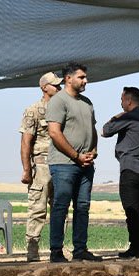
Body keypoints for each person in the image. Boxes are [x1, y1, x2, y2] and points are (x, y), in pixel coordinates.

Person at [46, 62, 102, 263]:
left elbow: (92, 130)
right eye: (81, 77)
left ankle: (80, 250)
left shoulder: (87, 102)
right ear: (68, 78)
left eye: (85, 77)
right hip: (64, 164)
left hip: (86, 164)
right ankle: (56, 251)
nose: (85, 80)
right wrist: (75, 155)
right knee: (61, 205)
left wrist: (92, 152)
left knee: (83, 206)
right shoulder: (58, 101)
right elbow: (54, 132)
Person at [101, 87, 139, 259]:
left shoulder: (129, 117)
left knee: (131, 209)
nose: (120, 103)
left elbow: (105, 131)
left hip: (131, 169)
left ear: (128, 101)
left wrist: (118, 116)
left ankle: (136, 247)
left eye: (121, 100)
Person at [19, 72, 62, 262]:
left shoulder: (63, 109)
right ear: (44, 87)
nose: (59, 88)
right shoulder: (34, 110)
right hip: (42, 165)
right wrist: (27, 169)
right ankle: (32, 248)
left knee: (60, 208)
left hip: (61, 164)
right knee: (37, 208)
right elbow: (26, 142)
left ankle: (57, 249)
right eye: (55, 85)